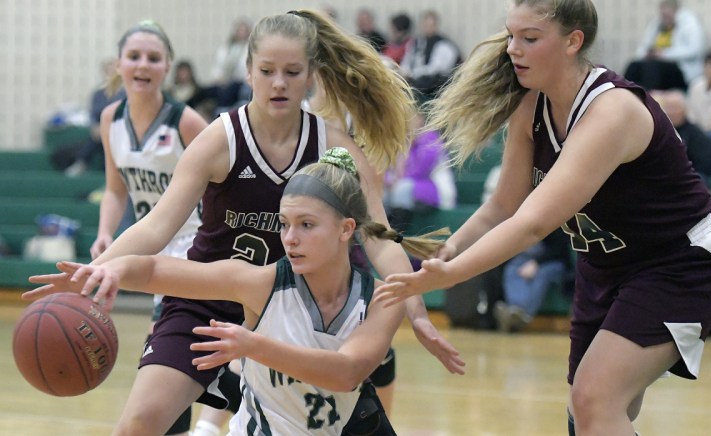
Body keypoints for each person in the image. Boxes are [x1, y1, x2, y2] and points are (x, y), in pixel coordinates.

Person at [23, 10, 464, 436]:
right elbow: (157, 226)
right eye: (267, 70)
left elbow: (378, 237)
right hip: (210, 298)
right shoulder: (220, 138)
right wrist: (95, 272)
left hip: (291, 311)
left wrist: (418, 312)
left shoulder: (333, 145)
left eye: (292, 72)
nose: (278, 83)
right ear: (248, 70)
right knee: (137, 425)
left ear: (311, 75)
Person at [375, 1, 711, 435]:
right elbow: (502, 206)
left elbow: (532, 222)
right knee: (586, 414)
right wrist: (450, 248)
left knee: (594, 400)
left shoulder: (611, 111)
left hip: (679, 263)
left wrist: (449, 275)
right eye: (511, 36)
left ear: (573, 41)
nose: (513, 49)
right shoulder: (531, 107)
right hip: (606, 267)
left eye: (530, 38)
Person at [27, 148, 450, 435]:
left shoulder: (381, 298)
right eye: (284, 224)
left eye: (306, 225)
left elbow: (345, 372)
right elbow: (157, 268)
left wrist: (253, 345)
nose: (291, 238)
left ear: (346, 230)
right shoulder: (260, 281)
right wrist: (105, 271)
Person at [86, 21, 210, 436]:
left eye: (153, 58)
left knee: (166, 356)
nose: (143, 65)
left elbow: (226, 182)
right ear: (118, 64)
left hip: (196, 248)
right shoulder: (111, 119)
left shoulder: (187, 122)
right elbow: (115, 189)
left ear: (168, 67)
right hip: (152, 244)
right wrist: (106, 232)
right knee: (181, 360)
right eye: (134, 56)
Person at [384, 107, 456, 233]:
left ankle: (398, 231)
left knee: (402, 187)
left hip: (434, 190)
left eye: (412, 119)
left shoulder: (430, 139)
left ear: (420, 120)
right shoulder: (406, 142)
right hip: (412, 189)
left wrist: (397, 180)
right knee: (383, 191)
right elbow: (390, 171)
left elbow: (420, 170)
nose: (408, 123)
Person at [494, 227, 570, 333]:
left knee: (542, 274)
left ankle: (523, 313)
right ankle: (515, 310)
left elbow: (558, 250)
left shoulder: (555, 222)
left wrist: (536, 263)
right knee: (512, 268)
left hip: (554, 262)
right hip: (528, 260)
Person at [64, 58, 125, 177]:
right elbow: (93, 113)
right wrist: (95, 126)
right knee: (97, 136)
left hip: (119, 129)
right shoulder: (98, 94)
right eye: (109, 71)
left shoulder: (126, 92)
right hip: (101, 130)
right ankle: (81, 163)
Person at [625, 0, 704, 90]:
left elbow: (694, 50)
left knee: (653, 67)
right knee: (634, 66)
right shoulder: (657, 24)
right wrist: (647, 54)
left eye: (668, 15)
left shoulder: (689, 23)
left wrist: (664, 54)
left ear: (676, 11)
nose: (665, 18)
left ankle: (650, 100)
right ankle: (626, 95)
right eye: (663, 15)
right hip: (657, 64)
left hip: (679, 69)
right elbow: (643, 47)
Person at [400, 10, 462, 103]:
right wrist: (404, 72)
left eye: (431, 25)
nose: (428, 28)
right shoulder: (416, 42)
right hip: (414, 83)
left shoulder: (445, 45)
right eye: (425, 25)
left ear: (436, 25)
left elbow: (436, 69)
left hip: (434, 87)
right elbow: (408, 60)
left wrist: (414, 73)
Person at [651, 89, 711, 178]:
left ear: (685, 110)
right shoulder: (659, 131)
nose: (671, 112)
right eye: (669, 108)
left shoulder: (696, 134)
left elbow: (702, 164)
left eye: (675, 108)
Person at [209, 18, 252, 112]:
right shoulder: (226, 48)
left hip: (241, 82)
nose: (241, 33)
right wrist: (220, 79)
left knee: (235, 89)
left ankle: (223, 112)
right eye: (239, 31)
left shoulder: (250, 48)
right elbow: (218, 67)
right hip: (224, 82)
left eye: (244, 31)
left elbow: (245, 69)